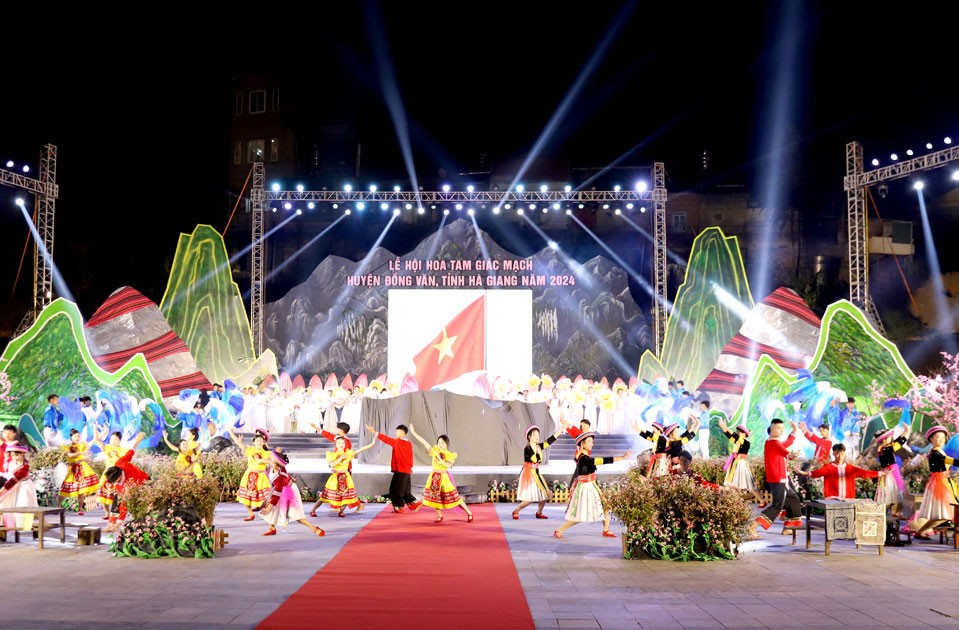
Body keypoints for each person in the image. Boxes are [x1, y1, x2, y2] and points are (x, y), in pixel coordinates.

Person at [553, 432, 631, 539]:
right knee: (580, 515)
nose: (592, 444)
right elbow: (601, 460)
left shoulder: (583, 456)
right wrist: (621, 458)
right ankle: (559, 530)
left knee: (606, 506)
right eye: (589, 441)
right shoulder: (583, 458)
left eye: (592, 441)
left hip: (591, 485)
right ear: (582, 443)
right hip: (585, 488)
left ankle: (606, 529)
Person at [407, 424, 474, 523]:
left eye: (442, 442)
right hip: (434, 477)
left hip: (444, 478)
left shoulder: (450, 455)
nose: (440, 444)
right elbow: (424, 442)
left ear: (446, 444)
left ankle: (469, 513)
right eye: (438, 442)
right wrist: (413, 432)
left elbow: (448, 465)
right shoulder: (435, 451)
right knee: (434, 498)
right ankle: (439, 515)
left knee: (455, 498)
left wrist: (439, 458)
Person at [905, 426, 959, 540]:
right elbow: (952, 461)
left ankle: (920, 530)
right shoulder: (935, 453)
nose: (941, 440)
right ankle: (919, 529)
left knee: (942, 515)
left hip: (943, 482)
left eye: (943, 438)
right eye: (938, 437)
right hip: (939, 483)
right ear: (931, 439)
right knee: (943, 515)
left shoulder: (939, 451)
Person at [260, 449, 325, 537]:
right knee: (274, 509)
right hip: (281, 489)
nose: (269, 461)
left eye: (272, 460)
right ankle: (271, 528)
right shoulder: (274, 467)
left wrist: (268, 508)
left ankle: (314, 528)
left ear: (278, 465)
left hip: (289, 493)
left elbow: (276, 496)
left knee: (296, 514)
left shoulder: (280, 477)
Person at [755, 419, 804, 531]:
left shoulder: (771, 442)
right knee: (777, 505)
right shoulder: (774, 443)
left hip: (781, 478)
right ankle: (753, 526)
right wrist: (792, 455)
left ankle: (788, 528)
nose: (782, 431)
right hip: (778, 479)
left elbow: (786, 444)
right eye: (779, 428)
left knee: (794, 501)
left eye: (782, 429)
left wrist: (795, 430)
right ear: (772, 429)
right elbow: (786, 452)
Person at [309, 435, 374, 517]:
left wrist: (372, 443)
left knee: (346, 497)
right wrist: (340, 458)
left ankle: (341, 511)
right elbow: (332, 465)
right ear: (336, 445)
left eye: (342, 443)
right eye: (339, 443)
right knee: (325, 496)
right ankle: (313, 510)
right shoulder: (332, 455)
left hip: (346, 477)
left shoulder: (348, 453)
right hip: (335, 477)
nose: (341, 444)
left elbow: (360, 450)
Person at [99, 432, 150, 533]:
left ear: (119, 478)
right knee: (116, 500)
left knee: (129, 504)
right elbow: (130, 453)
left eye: (114, 482)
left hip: (144, 483)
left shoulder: (128, 483)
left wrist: (118, 524)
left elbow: (124, 506)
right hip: (129, 485)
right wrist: (137, 440)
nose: (114, 485)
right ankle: (110, 524)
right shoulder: (119, 463)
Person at [366, 423, 421, 513]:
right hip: (406, 470)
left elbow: (386, 439)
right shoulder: (408, 443)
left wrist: (373, 432)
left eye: (398, 432)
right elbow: (410, 457)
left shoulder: (398, 442)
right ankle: (415, 504)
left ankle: (400, 507)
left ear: (402, 433)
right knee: (404, 491)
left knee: (395, 490)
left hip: (401, 470)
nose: (396, 434)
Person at [512, 424, 564, 519]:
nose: (537, 437)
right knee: (529, 498)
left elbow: (549, 441)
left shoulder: (538, 446)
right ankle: (516, 510)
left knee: (544, 494)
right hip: (529, 473)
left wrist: (560, 431)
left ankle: (539, 512)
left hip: (536, 472)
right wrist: (537, 451)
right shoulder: (527, 449)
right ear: (529, 437)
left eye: (538, 435)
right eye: (534, 435)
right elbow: (535, 459)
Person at [798, 443, 878, 499]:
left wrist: (880, 473)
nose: (840, 456)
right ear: (833, 454)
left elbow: (865, 473)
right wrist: (803, 473)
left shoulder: (850, 468)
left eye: (842, 454)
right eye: (837, 454)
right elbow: (816, 473)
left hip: (848, 499)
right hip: (833, 499)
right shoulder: (828, 467)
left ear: (845, 454)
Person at [227, 427, 273, 521]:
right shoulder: (250, 450)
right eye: (257, 441)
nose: (259, 442)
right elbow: (238, 443)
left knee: (267, 496)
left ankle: (269, 512)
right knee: (246, 497)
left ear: (264, 442)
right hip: (250, 476)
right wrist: (231, 432)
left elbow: (270, 461)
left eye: (261, 441)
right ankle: (250, 514)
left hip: (261, 477)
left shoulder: (266, 453)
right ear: (254, 442)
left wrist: (260, 460)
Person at [717, 418, 762, 502]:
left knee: (750, 485)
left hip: (741, 464)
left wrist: (724, 427)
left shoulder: (746, 443)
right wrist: (723, 427)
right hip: (734, 464)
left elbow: (735, 436)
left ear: (744, 434)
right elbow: (729, 435)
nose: (738, 433)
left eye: (739, 432)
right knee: (732, 485)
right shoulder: (738, 441)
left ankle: (762, 501)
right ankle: (735, 502)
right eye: (738, 432)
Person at [59, 428, 100, 515]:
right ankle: (58, 506)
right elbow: (71, 455)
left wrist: (95, 429)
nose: (77, 438)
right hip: (72, 469)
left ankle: (80, 509)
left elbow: (94, 440)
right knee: (65, 488)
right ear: (71, 437)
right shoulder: (66, 447)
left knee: (82, 489)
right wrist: (82, 453)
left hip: (82, 468)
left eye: (78, 436)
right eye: (75, 436)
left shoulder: (82, 445)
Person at [92, 426, 128, 520]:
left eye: (115, 439)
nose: (113, 441)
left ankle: (115, 515)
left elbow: (123, 463)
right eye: (112, 439)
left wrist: (115, 456)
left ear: (120, 440)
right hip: (107, 474)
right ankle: (107, 513)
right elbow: (96, 440)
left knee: (116, 496)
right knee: (102, 494)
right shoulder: (108, 447)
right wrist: (95, 428)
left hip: (117, 475)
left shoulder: (123, 451)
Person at [873, 425, 910, 516]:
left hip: (887, 472)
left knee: (892, 495)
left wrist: (905, 432)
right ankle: (894, 513)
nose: (892, 439)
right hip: (891, 473)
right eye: (890, 438)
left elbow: (897, 441)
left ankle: (894, 513)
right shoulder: (887, 449)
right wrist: (906, 431)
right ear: (885, 439)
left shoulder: (882, 448)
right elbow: (899, 443)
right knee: (895, 494)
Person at [0, 444, 37, 532]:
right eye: (12, 455)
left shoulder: (24, 466)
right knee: (11, 505)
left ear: (22, 454)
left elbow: (13, 480)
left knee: (25, 505)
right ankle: (13, 527)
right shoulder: (12, 463)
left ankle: (26, 527)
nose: (15, 457)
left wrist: (2, 490)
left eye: (17, 455)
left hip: (25, 487)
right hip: (15, 487)